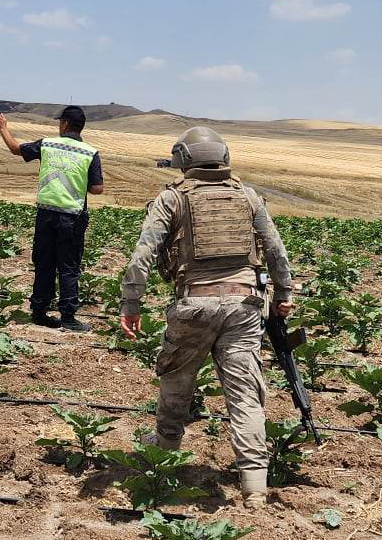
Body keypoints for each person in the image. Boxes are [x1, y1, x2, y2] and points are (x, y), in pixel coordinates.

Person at [119, 127, 295, 506]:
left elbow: (142, 256)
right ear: (224, 156)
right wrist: (283, 295)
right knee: (245, 394)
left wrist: (131, 305)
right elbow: (276, 251)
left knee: (176, 381)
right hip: (245, 306)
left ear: (182, 159)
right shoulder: (247, 196)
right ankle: (254, 485)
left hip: (194, 305)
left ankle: (164, 452)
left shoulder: (172, 198)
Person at [0, 105, 104, 332]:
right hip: (72, 218)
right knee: (68, 267)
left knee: (44, 263)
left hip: (46, 215)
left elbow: (15, 148)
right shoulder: (90, 153)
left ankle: (39, 312)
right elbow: (97, 188)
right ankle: (68, 317)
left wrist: (2, 127)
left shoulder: (47, 144)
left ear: (65, 124)